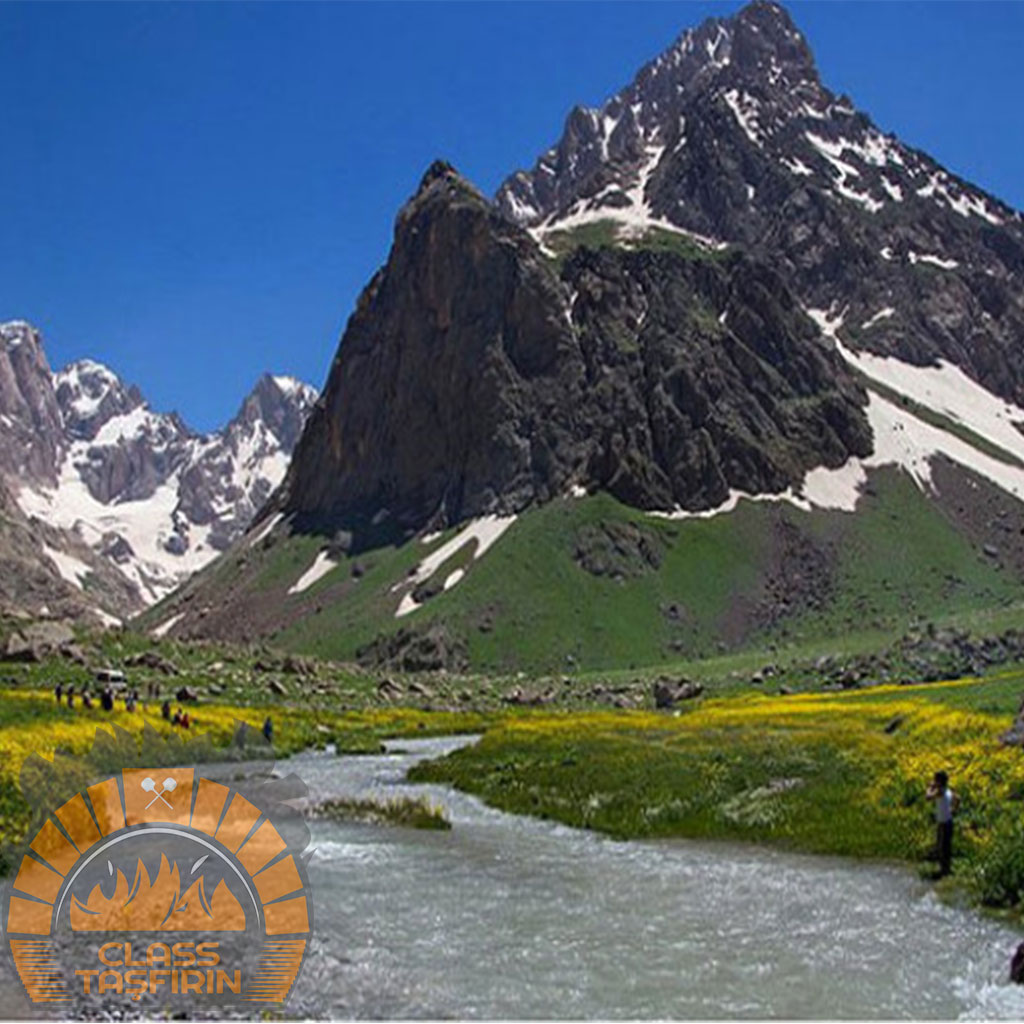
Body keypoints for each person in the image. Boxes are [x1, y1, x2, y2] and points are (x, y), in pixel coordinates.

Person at [926, 769, 959, 878]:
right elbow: (958, 798)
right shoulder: (947, 790)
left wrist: (930, 787)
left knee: (942, 847)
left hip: (943, 823)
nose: (934, 781)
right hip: (948, 821)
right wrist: (954, 809)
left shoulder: (940, 791)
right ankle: (946, 869)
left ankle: (944, 871)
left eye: (935, 780)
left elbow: (928, 797)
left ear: (939, 781)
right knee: (946, 847)